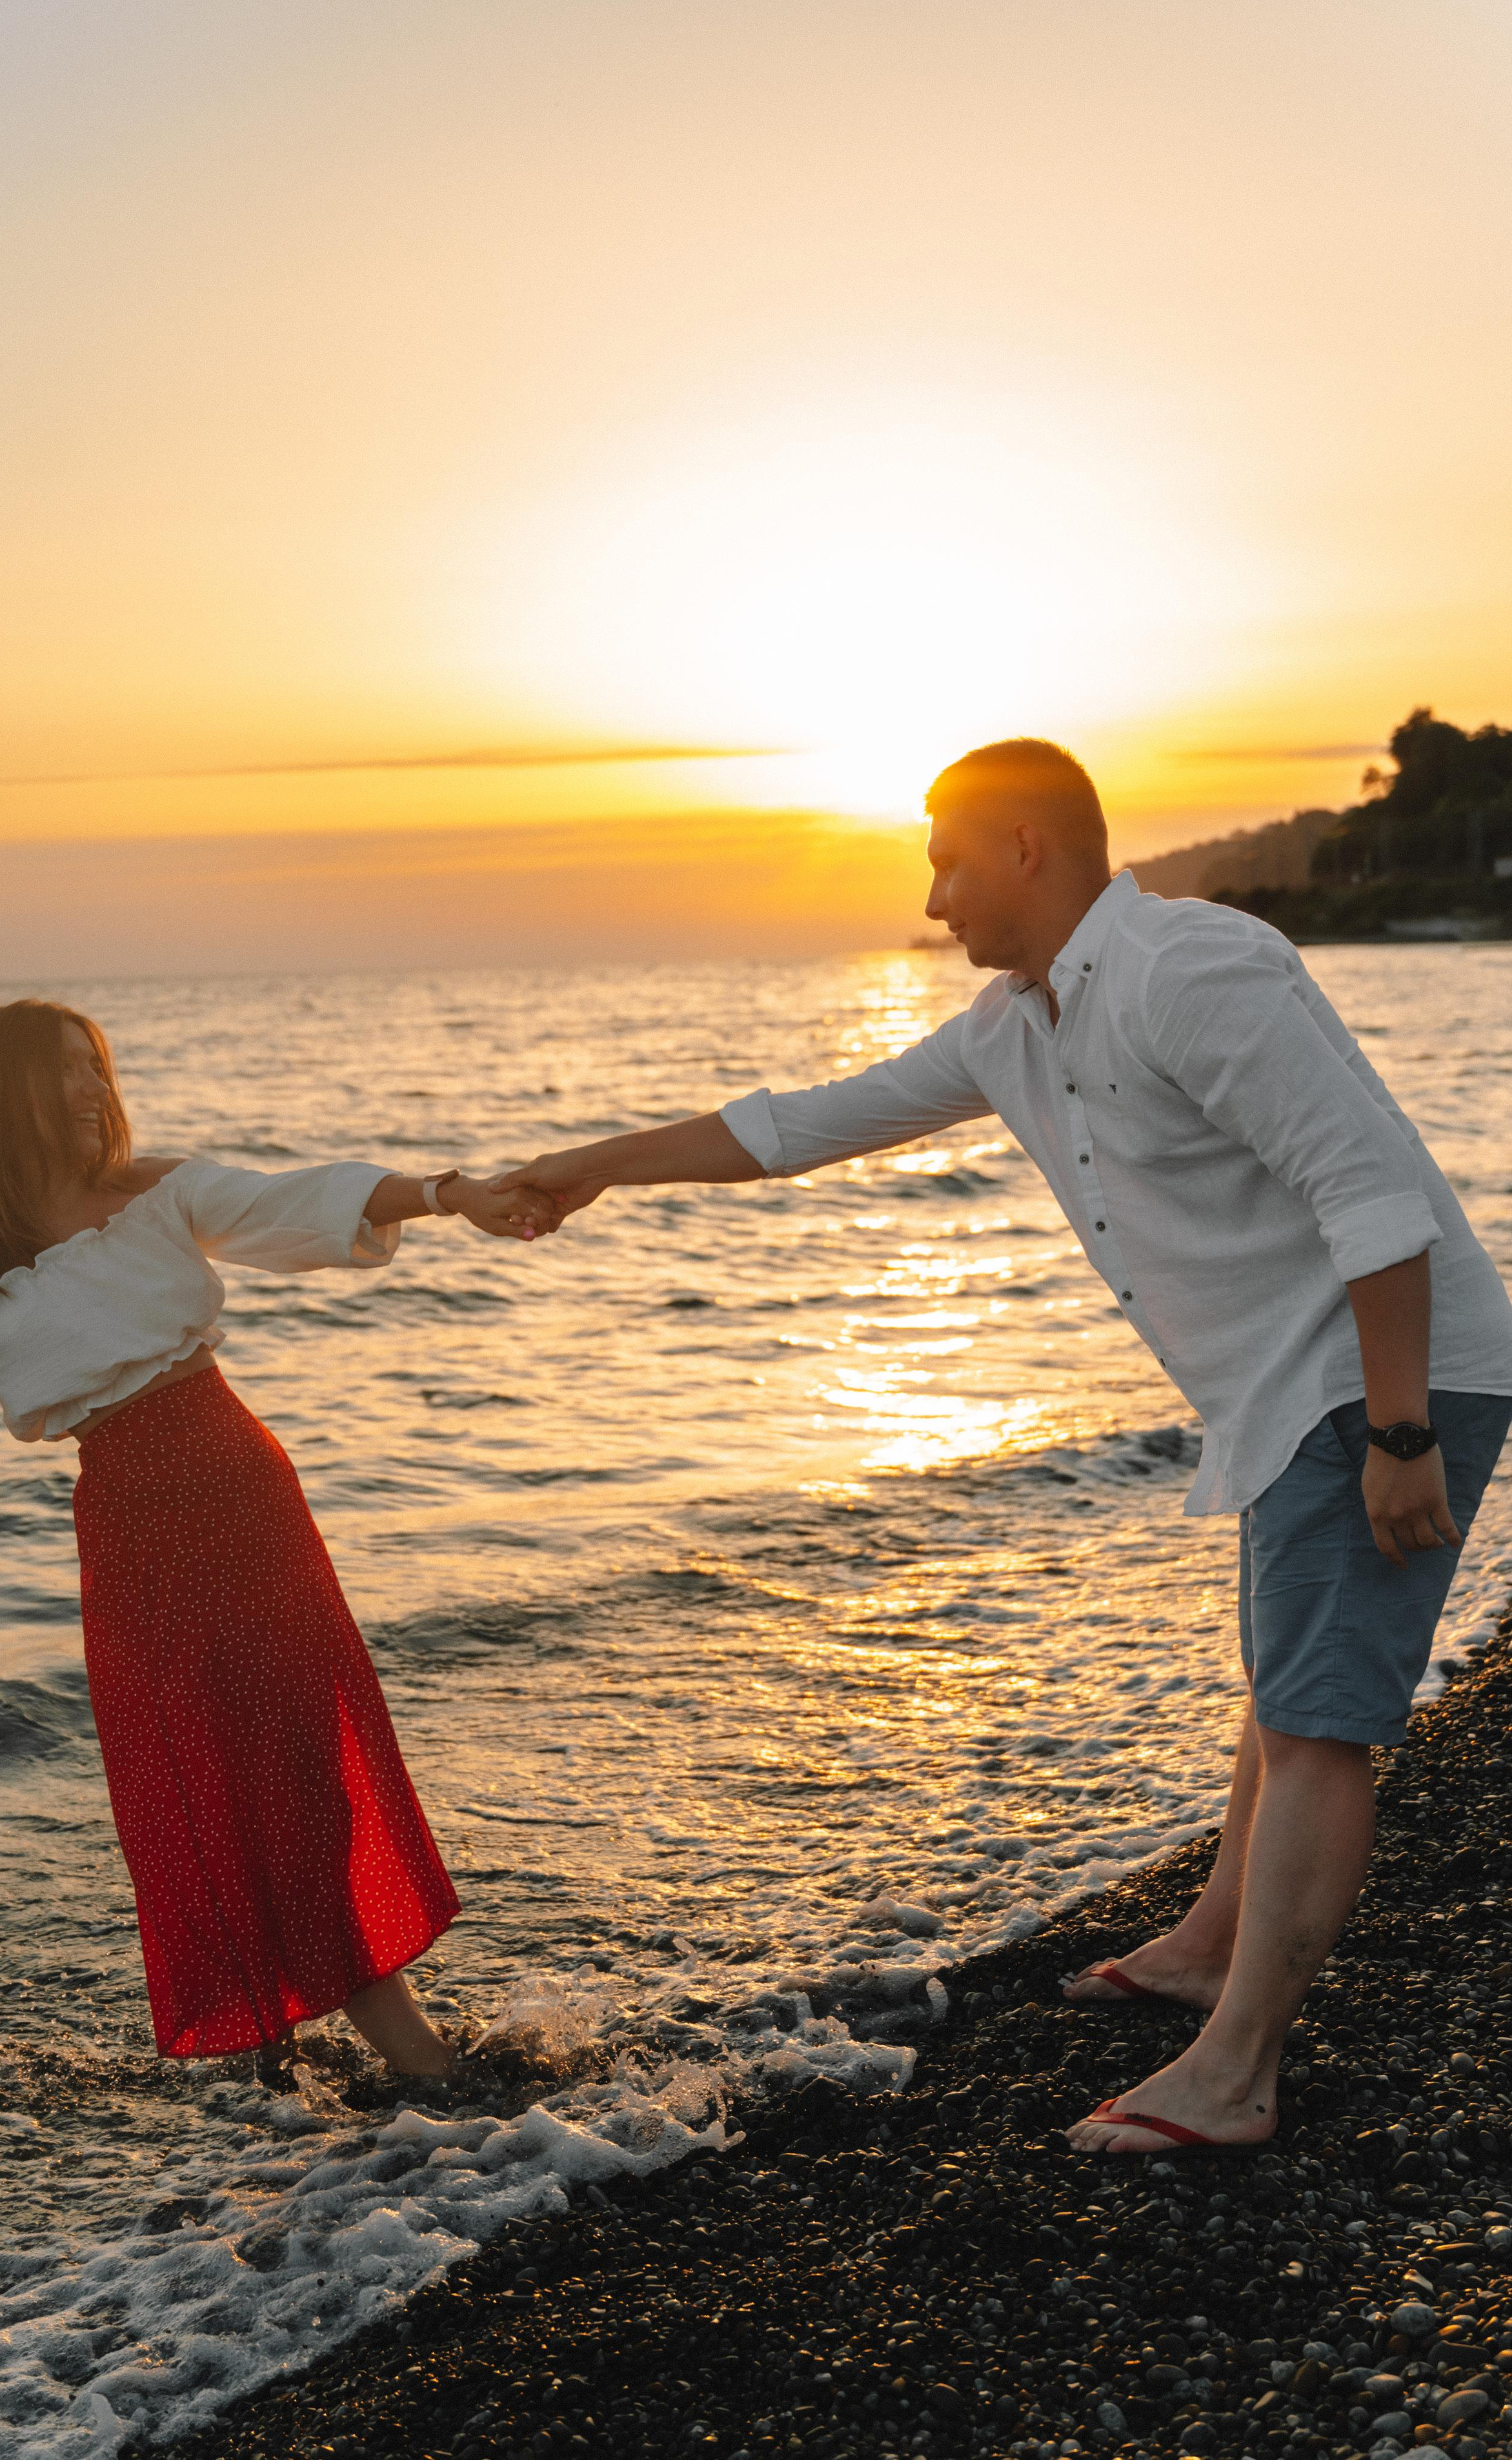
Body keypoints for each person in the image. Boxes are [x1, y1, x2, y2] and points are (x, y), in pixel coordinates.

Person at [492, 737, 1512, 2155]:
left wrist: (1401, 1428)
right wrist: (592, 1163)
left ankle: (1233, 2073)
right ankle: (1215, 1943)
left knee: (1317, 1719)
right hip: (1298, 1379)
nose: (929, 900)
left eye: (944, 861)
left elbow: (1370, 1192)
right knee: (1282, 1686)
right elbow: (800, 1127)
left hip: (1380, 1364)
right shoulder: (1014, 1025)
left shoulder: (1186, 969)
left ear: (1027, 848)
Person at [0, 999, 558, 2079]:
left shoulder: (156, 1193)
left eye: (97, 1068)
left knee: (301, 1767)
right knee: (194, 1787)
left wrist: (443, 1193)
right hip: (136, 1532)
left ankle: (409, 2054)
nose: (94, 1092)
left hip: (244, 1496)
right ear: (4, 1099)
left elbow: (303, 1199)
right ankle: (272, 2061)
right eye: (65, 1075)